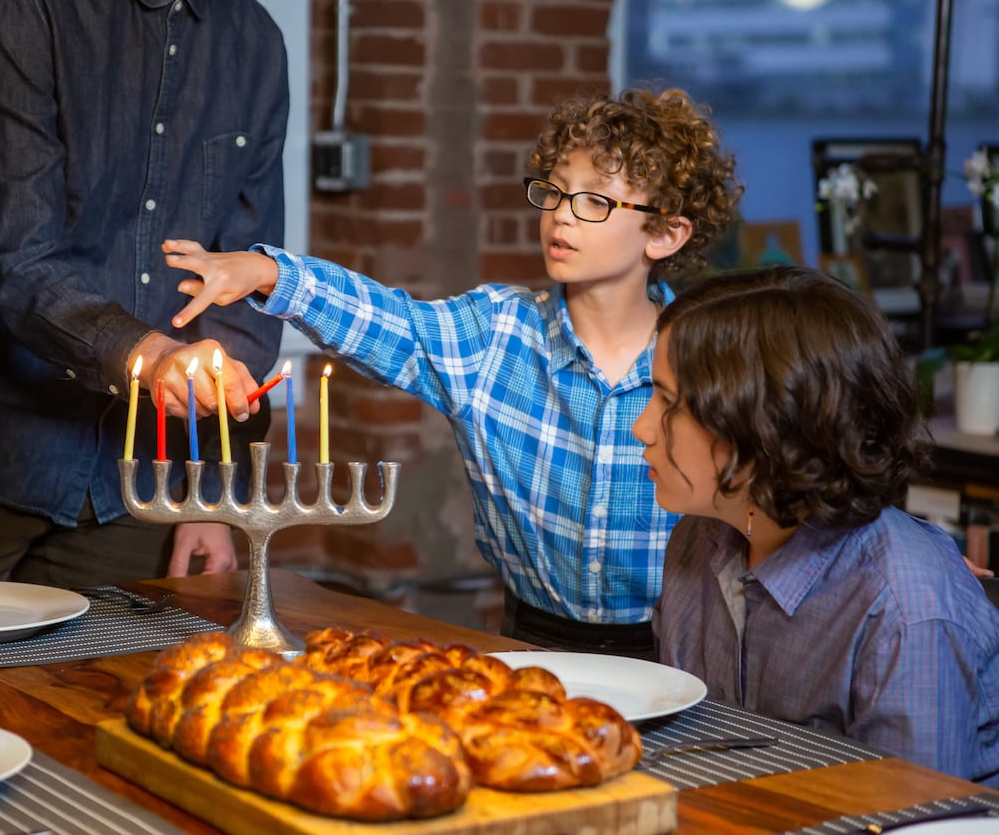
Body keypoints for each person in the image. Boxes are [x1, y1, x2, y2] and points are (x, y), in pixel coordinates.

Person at [161, 87, 743, 658]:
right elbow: (397, 324)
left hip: (679, 651)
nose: (562, 216)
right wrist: (270, 274)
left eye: (594, 202)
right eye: (555, 191)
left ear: (665, 233)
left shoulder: (706, 361)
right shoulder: (497, 333)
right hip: (531, 645)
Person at [0, 0, 287, 586]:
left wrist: (210, 487)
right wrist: (151, 355)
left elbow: (247, 281)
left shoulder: (256, 41)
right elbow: (17, 255)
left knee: (133, 655)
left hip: (136, 473)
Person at [634, 266, 999, 787]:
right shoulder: (699, 535)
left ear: (763, 425)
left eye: (668, 401)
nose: (641, 427)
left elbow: (913, 816)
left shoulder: (903, 609)